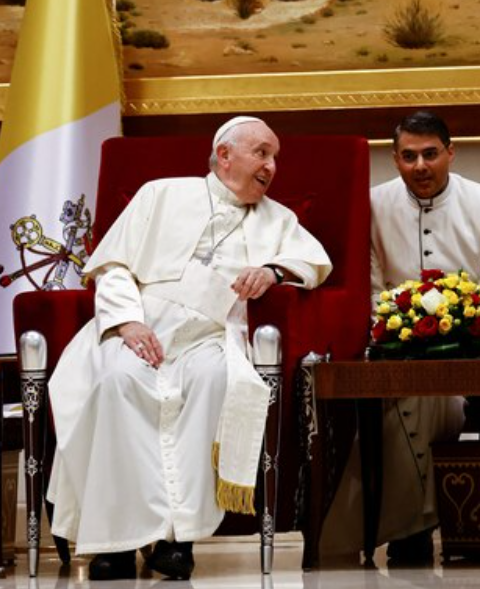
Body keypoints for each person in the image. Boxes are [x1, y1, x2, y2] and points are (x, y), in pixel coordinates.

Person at [46, 117, 332, 580]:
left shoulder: (277, 219)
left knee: (214, 380)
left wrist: (274, 271)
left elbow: (314, 261)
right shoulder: (160, 194)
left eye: (274, 157)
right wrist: (127, 322)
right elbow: (113, 265)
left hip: (210, 334)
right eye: (262, 153)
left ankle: (178, 539)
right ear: (225, 155)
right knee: (117, 383)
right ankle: (117, 544)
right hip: (141, 327)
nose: (272, 166)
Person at [321, 110, 480, 563]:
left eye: (430, 154)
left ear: (451, 153)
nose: (420, 166)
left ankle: (406, 527)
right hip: (391, 349)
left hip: (471, 351)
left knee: (422, 391)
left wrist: (458, 326)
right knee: (411, 389)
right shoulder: (371, 203)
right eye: (408, 156)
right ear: (394, 160)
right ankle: (415, 522)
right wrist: (401, 326)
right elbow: (368, 290)